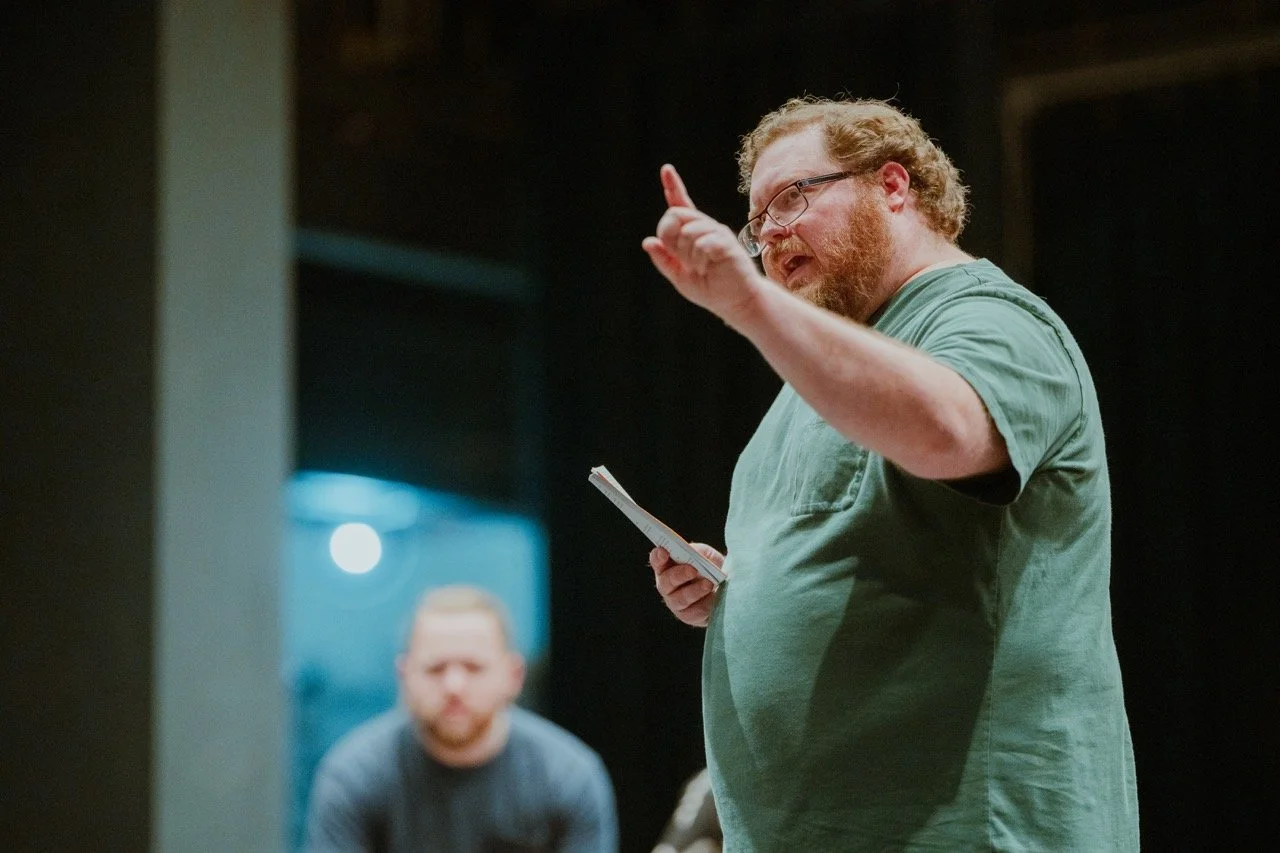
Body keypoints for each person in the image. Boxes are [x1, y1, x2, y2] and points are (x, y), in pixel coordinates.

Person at [641, 95, 1139, 851]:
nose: (769, 233)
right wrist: (737, 594)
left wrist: (749, 308)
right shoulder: (814, 378)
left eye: (792, 197)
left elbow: (945, 431)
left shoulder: (989, 319)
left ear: (894, 188)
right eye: (756, 220)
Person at [304, 584, 619, 852]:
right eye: (435, 668)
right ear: (404, 675)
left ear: (514, 675)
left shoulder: (568, 777)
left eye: (473, 667)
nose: (454, 686)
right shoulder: (354, 777)